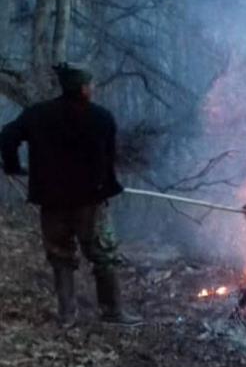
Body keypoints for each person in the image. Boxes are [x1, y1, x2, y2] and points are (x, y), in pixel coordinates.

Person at [0, 63, 141, 327]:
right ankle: (112, 312)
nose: (93, 88)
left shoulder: (38, 114)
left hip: (51, 200)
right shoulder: (101, 117)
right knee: (103, 256)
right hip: (89, 202)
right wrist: (110, 188)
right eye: (91, 85)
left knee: (60, 256)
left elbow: (6, 136)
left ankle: (67, 315)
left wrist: (12, 166)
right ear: (83, 89)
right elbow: (109, 160)